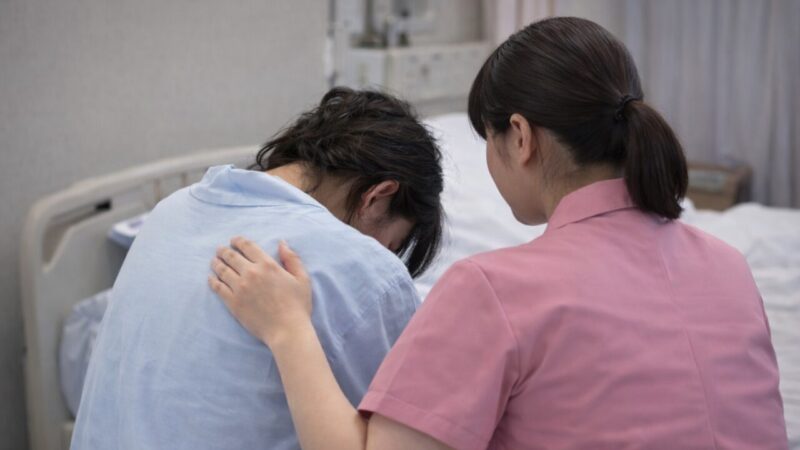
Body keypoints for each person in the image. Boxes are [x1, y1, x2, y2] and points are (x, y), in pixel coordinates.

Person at [209, 17, 788, 450]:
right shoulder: (728, 266)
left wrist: (287, 328)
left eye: (485, 139)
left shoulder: (493, 290)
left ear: (519, 136)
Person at [71, 87, 444, 449]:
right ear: (378, 198)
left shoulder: (170, 210)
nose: (383, 253)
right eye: (392, 244)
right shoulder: (365, 268)